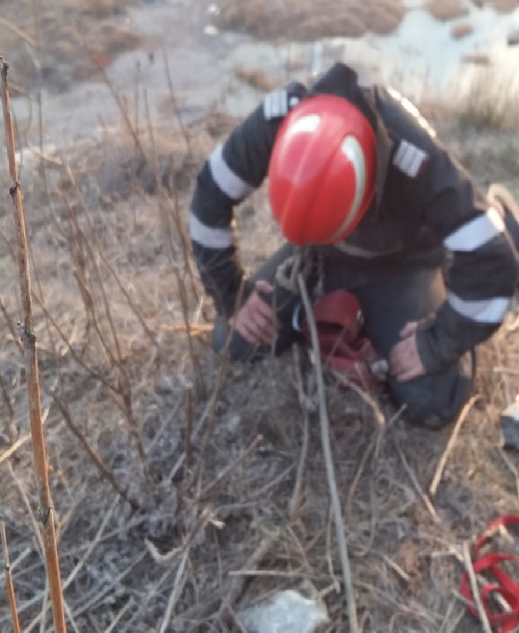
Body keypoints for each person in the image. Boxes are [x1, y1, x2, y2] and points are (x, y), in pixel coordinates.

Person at [189, 61, 519, 429]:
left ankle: (497, 220)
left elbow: (494, 257)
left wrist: (437, 341)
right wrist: (232, 295)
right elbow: (209, 197)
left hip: (404, 262)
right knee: (235, 342)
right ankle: (316, 295)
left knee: (430, 400)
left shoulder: (413, 154)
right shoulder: (280, 116)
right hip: (316, 254)